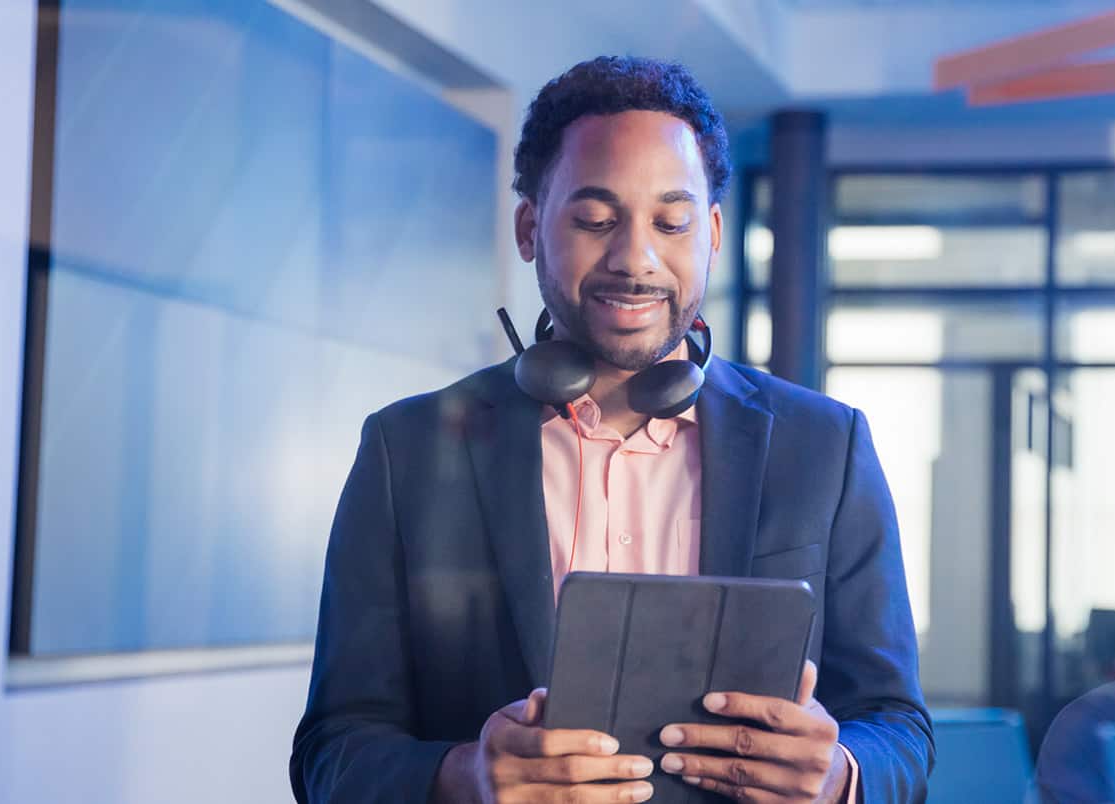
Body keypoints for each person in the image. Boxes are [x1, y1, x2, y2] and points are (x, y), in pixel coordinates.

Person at [290, 56, 932, 804]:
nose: (636, 258)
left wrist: (841, 775)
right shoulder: (407, 449)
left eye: (671, 221)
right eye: (596, 220)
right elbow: (333, 754)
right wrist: (465, 775)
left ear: (714, 234)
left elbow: (899, 730)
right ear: (531, 227)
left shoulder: (825, 446)